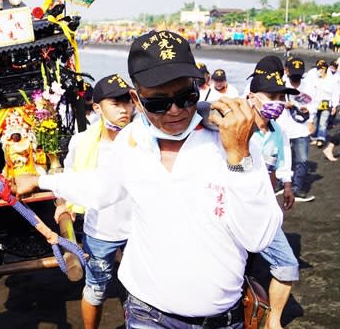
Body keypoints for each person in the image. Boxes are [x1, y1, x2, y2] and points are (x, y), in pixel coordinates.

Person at [15, 30, 282, 328]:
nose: (176, 111)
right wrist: (43, 181)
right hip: (148, 313)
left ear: (197, 86)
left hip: (221, 317)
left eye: (186, 97)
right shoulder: (131, 139)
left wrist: (238, 156)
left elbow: (258, 237)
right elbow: (101, 190)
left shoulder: (233, 141)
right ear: (137, 99)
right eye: (158, 103)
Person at [56, 74, 134, 329]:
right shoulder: (82, 141)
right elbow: (69, 178)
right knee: (96, 290)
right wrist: (63, 204)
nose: (124, 108)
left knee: (142, 288)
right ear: (97, 107)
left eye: (128, 101)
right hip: (100, 231)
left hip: (139, 229)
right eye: (116, 103)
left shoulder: (143, 136)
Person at [246, 56, 303, 329]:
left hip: (264, 210)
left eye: (282, 97)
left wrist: (287, 184)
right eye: (272, 95)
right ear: (251, 97)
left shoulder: (278, 130)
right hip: (231, 212)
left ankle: (274, 322)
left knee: (287, 265)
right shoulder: (236, 127)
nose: (278, 102)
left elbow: (283, 159)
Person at [278, 58, 316, 202]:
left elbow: (314, 103)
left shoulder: (308, 85)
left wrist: (311, 118)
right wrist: (283, 103)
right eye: (293, 75)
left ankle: (297, 188)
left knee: (302, 159)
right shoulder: (280, 83)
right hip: (283, 127)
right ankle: (281, 182)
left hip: (301, 127)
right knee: (282, 157)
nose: (296, 79)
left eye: (298, 75)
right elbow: (270, 100)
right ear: (286, 70)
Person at [308, 61, 339, 147]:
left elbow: (335, 93)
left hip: (327, 104)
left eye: (321, 69)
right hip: (316, 104)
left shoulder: (332, 80)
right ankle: (314, 138)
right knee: (315, 120)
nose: (319, 71)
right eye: (318, 69)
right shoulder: (316, 79)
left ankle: (320, 138)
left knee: (323, 121)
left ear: (325, 69)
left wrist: (334, 106)